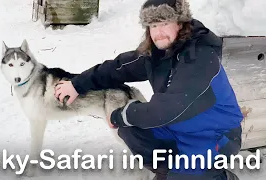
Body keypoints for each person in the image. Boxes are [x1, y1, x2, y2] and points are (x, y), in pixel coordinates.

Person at [54, 0, 243, 179]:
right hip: (177, 128)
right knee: (130, 129)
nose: (158, 32)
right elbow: (117, 68)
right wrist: (76, 84)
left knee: (131, 119)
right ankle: (168, 171)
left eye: (164, 23)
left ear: (180, 23)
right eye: (153, 25)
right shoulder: (157, 52)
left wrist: (120, 114)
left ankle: (219, 176)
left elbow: (166, 110)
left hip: (214, 134)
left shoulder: (199, 57)